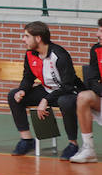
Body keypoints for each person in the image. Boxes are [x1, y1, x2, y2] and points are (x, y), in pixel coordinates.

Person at [9, 21, 81, 159]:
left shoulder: (59, 55)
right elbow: (28, 78)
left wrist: (46, 100)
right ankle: (26, 140)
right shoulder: (30, 54)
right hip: (48, 90)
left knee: (65, 102)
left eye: (26, 36)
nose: (23, 39)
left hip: (68, 91)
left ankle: (73, 144)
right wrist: (23, 90)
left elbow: (68, 86)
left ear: (38, 38)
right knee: (14, 95)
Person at [71, 18, 102, 163]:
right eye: (98, 30)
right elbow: (92, 80)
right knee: (83, 97)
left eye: (101, 31)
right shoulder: (96, 50)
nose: (98, 34)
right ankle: (88, 149)